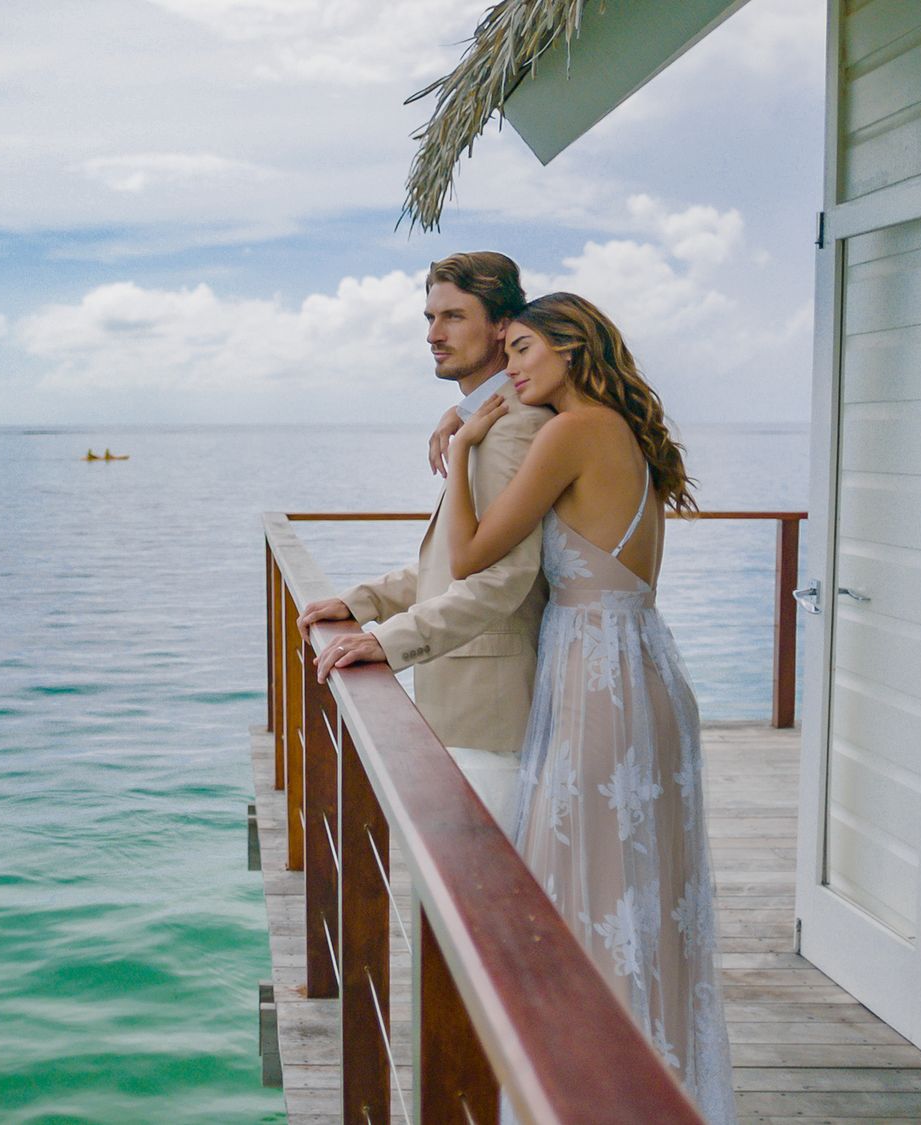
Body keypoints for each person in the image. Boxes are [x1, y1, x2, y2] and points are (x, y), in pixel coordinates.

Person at [441, 292, 735, 1123]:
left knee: (581, 894)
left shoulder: (571, 431)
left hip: (598, 683)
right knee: (637, 898)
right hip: (645, 673)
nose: (513, 365)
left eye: (525, 347)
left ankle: (587, 1096)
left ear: (571, 347)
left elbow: (468, 557)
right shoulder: (625, 431)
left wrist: (464, 448)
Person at [296, 251, 553, 833]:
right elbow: (456, 557)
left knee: (483, 901)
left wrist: (386, 640)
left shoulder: (513, 428)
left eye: (454, 317)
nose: (434, 336)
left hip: (491, 711)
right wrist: (364, 602)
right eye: (429, 318)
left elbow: (502, 579)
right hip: (464, 702)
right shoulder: (483, 418)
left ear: (503, 326)